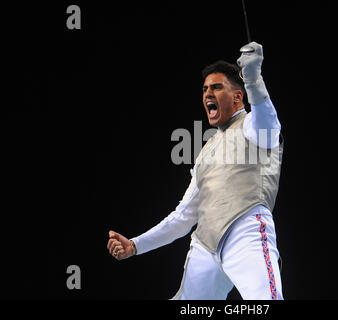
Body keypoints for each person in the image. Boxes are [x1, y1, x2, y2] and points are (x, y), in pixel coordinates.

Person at [107, 42, 284, 300]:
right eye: (204, 89)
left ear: (237, 96)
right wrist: (135, 245)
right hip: (204, 244)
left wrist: (253, 77)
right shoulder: (206, 151)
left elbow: (266, 116)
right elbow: (183, 216)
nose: (207, 94)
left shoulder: (254, 126)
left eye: (216, 87)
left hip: (246, 231)